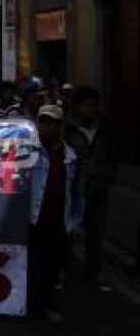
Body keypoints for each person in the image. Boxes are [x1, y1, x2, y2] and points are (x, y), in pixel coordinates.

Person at [28, 105, 84, 321]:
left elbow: (77, 191)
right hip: (31, 219)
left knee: (52, 266)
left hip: (57, 220)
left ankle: (46, 306)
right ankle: (27, 305)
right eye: (44, 122)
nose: (48, 127)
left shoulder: (70, 156)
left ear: (61, 126)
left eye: (53, 123)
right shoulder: (27, 151)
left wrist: (74, 220)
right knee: (31, 264)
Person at [65, 86, 113, 291]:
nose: (90, 109)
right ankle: (63, 273)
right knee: (68, 234)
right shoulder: (67, 130)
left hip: (98, 190)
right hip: (75, 191)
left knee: (96, 235)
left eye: (94, 105)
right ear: (76, 107)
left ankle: (96, 272)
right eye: (86, 105)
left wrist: (108, 178)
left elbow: (111, 157)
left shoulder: (104, 130)